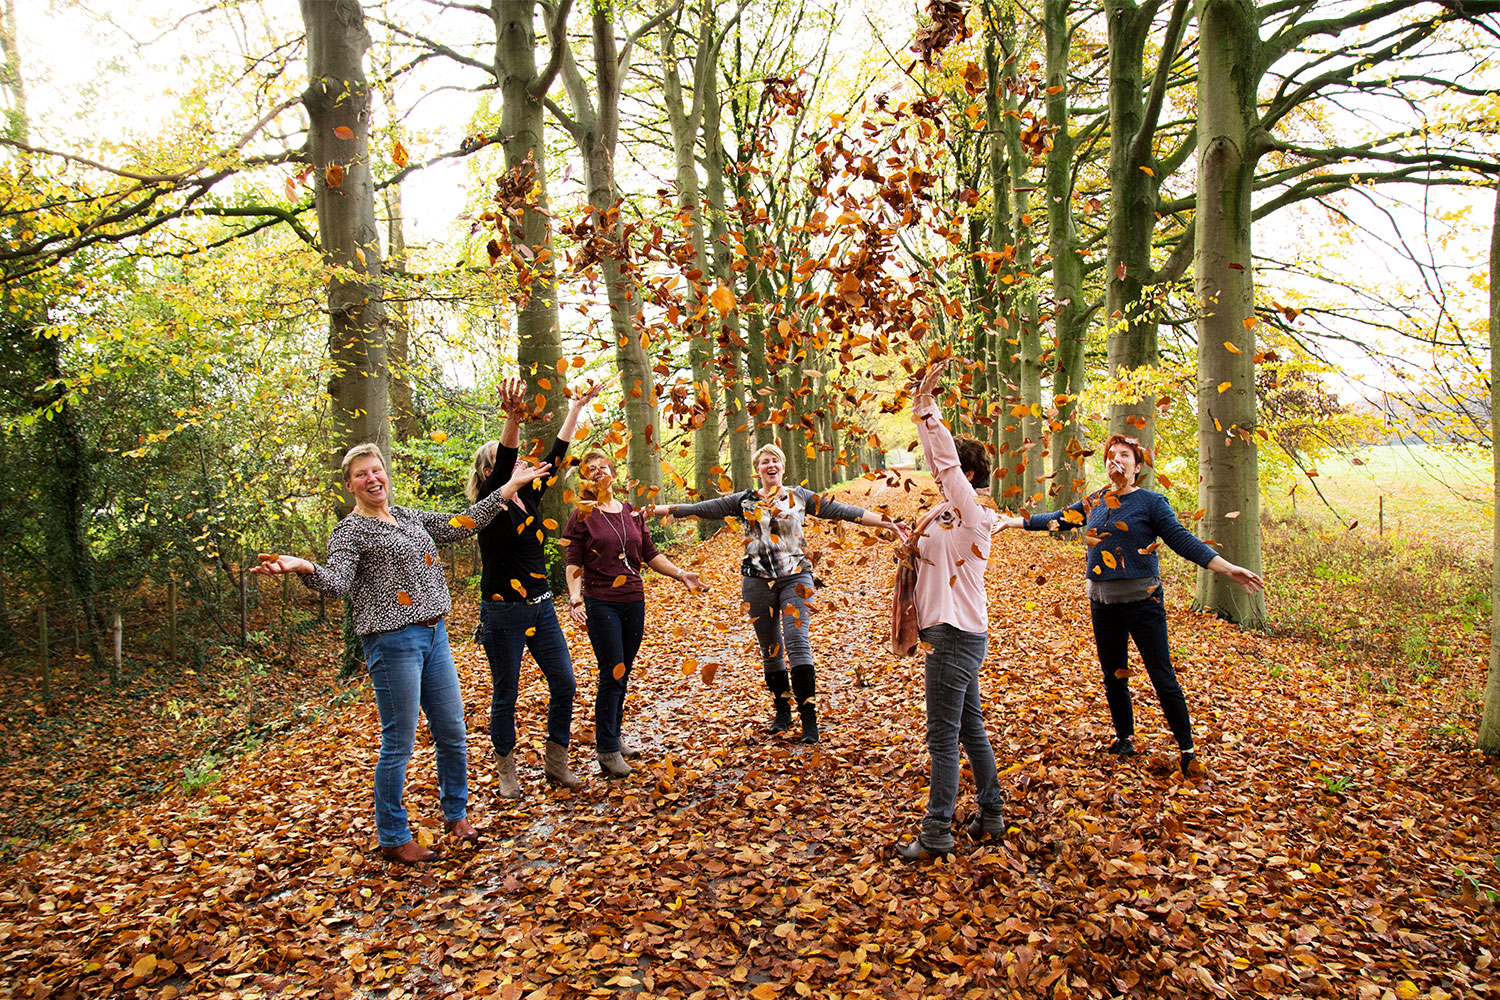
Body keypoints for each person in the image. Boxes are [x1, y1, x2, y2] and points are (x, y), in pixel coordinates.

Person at [252, 442, 550, 864]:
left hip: (435, 636)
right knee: (400, 742)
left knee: (452, 731)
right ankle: (393, 834)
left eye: (376, 470)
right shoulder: (350, 531)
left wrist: (508, 487)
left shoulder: (408, 517)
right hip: (393, 643)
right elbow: (336, 583)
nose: (372, 479)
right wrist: (304, 568)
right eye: (361, 474)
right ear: (350, 484)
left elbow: (465, 523)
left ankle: (456, 814)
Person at [996, 433, 1264, 775]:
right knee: (1113, 674)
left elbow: (1183, 541)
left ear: (1138, 466)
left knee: (1161, 675)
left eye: (1125, 455)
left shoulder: (1152, 503)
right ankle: (1125, 738)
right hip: (1103, 604)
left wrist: (1227, 568)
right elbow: (1058, 519)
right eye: (1111, 455)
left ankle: (1187, 750)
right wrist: (1012, 521)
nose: (1116, 460)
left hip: (1143, 604)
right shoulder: (1096, 500)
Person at [648, 443, 907, 744]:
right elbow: (702, 509)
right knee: (771, 649)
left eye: (775, 461)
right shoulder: (744, 500)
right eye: (764, 462)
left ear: (783, 467)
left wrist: (887, 522)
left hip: (796, 578)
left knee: (797, 642)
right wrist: (655, 510)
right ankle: (782, 711)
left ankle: (809, 718)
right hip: (756, 582)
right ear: (757, 470)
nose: (770, 466)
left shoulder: (801, 497)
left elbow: (845, 511)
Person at [467, 378, 604, 798]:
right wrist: (513, 417)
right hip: (503, 612)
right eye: (506, 463)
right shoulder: (488, 507)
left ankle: (556, 762)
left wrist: (576, 409)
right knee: (505, 693)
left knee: (565, 683)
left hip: (542, 607)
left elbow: (557, 457)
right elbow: (507, 456)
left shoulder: (532, 499)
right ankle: (506, 771)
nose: (520, 465)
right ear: (490, 474)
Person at [895, 359, 1006, 861]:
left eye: (951, 475)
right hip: (950, 633)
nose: (939, 478)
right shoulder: (942, 513)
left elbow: (944, 463)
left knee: (942, 736)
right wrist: (907, 544)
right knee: (969, 727)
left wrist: (925, 407)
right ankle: (992, 813)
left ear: (968, 475)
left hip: (957, 636)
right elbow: (930, 557)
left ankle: (938, 830)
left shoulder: (970, 509)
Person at [563, 451, 704, 779]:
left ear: (613, 472)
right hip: (601, 602)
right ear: (585, 479)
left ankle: (613, 735)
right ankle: (607, 750)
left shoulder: (632, 513)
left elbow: (650, 554)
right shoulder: (582, 514)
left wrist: (681, 574)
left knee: (622, 672)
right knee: (612, 672)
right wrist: (574, 598)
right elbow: (573, 559)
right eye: (591, 470)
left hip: (633, 599)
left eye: (603, 467)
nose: (599, 473)